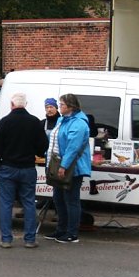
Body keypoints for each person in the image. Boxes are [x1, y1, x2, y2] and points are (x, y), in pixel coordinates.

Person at [0, 92, 48, 248]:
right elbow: (43, 146)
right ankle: (29, 239)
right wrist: (37, 153)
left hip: (7, 168)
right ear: (26, 104)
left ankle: (6, 239)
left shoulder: (4, 122)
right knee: (29, 203)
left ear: (11, 104)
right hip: (28, 168)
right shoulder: (35, 122)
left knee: (6, 204)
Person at [44, 93, 91, 244]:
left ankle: (72, 233)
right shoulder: (62, 120)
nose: (59, 107)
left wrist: (64, 166)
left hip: (72, 168)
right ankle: (61, 230)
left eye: (62, 104)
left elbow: (73, 147)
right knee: (58, 199)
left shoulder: (79, 124)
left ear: (71, 107)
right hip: (58, 164)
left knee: (71, 200)